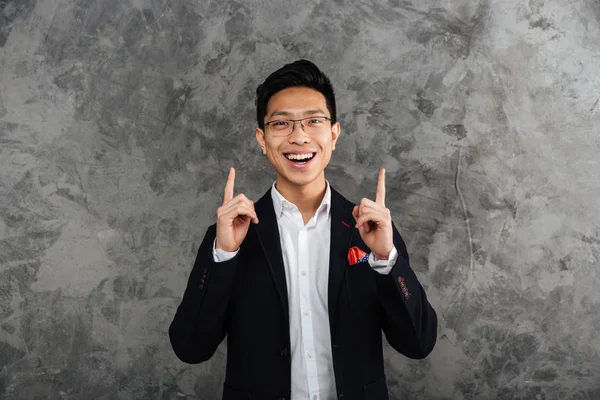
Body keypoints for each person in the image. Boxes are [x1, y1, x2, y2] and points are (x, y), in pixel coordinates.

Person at [169, 60, 437, 400]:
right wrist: (224, 256)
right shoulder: (231, 233)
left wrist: (387, 259)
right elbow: (190, 348)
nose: (299, 136)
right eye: (281, 123)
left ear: (334, 134)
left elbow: (418, 344)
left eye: (314, 121)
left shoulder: (370, 229)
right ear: (262, 139)